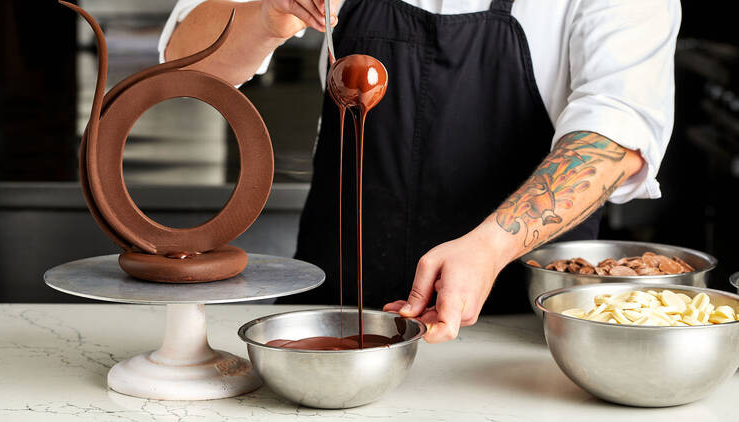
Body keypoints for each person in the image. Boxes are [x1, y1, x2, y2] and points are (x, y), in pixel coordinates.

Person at [160, 0, 680, 342]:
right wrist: (264, 17)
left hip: (523, 336)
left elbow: (617, 137)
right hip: (335, 320)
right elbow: (186, 68)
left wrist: (490, 246)